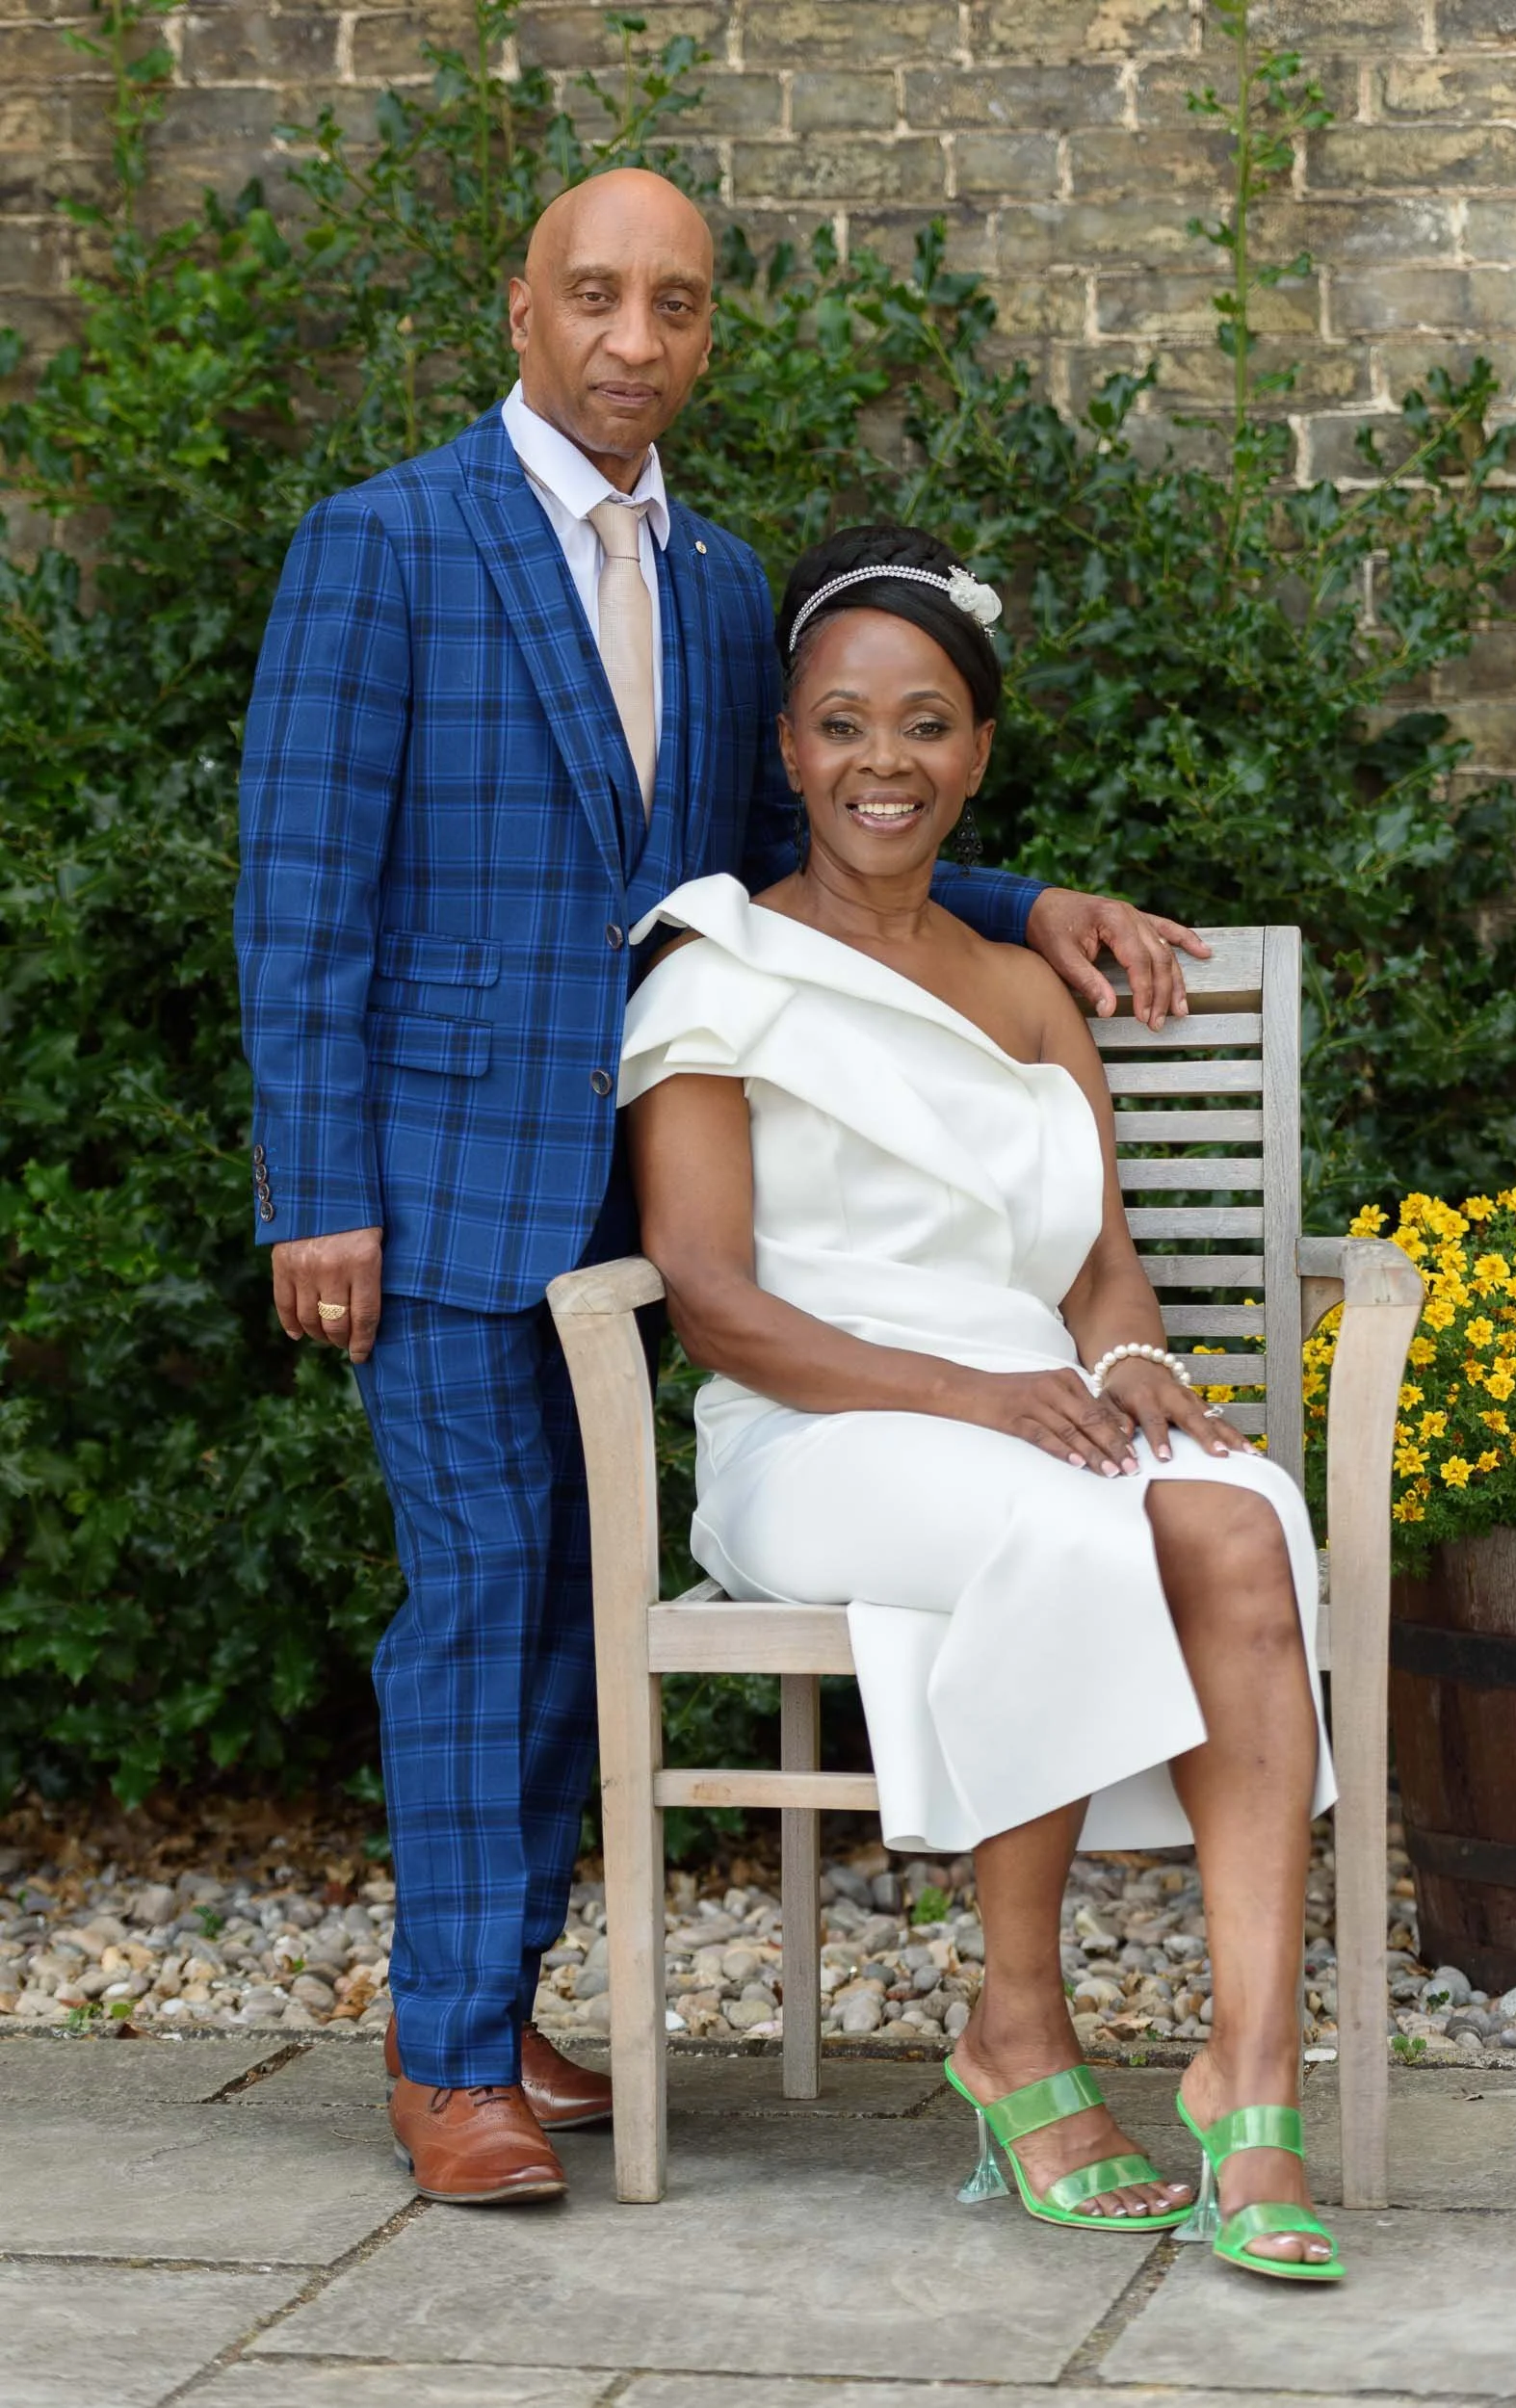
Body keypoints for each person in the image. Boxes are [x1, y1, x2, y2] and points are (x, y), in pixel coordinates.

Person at [235, 167, 1206, 2210]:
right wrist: (315, 1184)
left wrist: (1032, 901)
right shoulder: (383, 545)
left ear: (703, 335)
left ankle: (494, 2003)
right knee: (481, 1595)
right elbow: (303, 895)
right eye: (594, 297)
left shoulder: (720, 573)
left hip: (667, 1185)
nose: (630, 342)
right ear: (521, 310)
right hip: (435, 1185)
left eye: (671, 306)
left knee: (577, 1612)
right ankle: (445, 2059)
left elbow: (817, 822)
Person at [621, 522, 1343, 2283]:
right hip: (819, 1426)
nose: (886, 762)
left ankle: (1251, 2088)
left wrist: (1133, 1364)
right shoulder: (716, 972)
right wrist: (988, 1397)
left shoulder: (1027, 991)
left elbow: (1094, 1261)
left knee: (1245, 1518)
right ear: (786, 748)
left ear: (979, 753)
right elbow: (714, 1302)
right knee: (1062, 1520)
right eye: (843, 724)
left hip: (1028, 1398)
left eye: (927, 723)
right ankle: (1021, 2029)